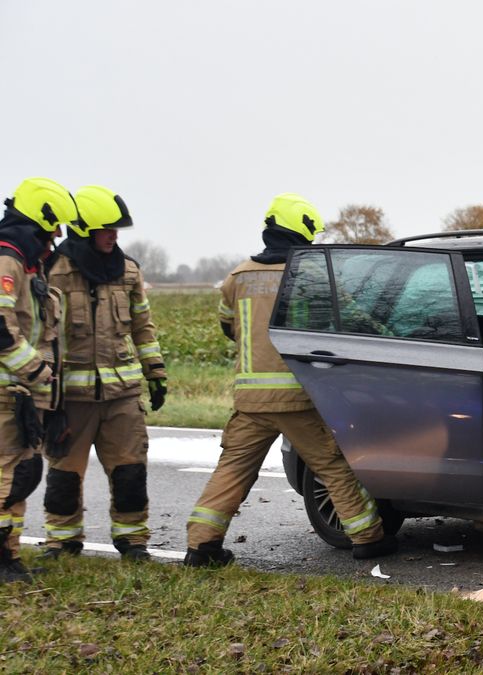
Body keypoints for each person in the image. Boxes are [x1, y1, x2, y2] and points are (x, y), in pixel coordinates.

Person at [183, 193, 397, 567]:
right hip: (297, 397)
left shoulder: (237, 277)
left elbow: (227, 328)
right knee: (331, 465)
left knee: (232, 470)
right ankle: (368, 538)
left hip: (250, 401)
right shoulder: (308, 274)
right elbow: (348, 318)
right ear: (300, 233)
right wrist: (387, 338)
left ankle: (201, 546)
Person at [40, 185, 165, 563]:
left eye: (117, 230)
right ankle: (62, 541)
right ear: (84, 230)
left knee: (129, 471)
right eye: (107, 229)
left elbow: (143, 326)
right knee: (64, 475)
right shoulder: (53, 271)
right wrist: (44, 391)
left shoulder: (128, 271)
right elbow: (41, 334)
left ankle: (133, 541)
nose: (114, 236)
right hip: (70, 399)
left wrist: (155, 371)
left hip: (122, 397)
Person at [0, 177, 70, 583]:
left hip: (24, 392)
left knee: (21, 475)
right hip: (11, 389)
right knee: (9, 475)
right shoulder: (7, 259)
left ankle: (10, 555)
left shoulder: (27, 263)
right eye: (51, 230)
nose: (54, 239)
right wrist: (35, 370)